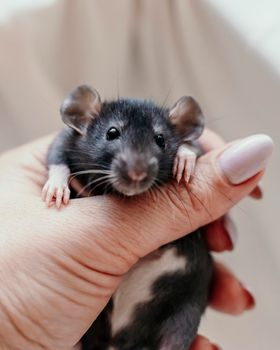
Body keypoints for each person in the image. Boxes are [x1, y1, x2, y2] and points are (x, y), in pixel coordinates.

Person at [0, 130, 273, 350]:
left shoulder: (180, 149)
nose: (136, 170)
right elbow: (63, 144)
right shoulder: (77, 155)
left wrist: (190, 152)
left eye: (158, 140)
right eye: (114, 133)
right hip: (90, 327)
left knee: (187, 310)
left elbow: (189, 147)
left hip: (172, 297)